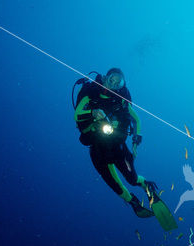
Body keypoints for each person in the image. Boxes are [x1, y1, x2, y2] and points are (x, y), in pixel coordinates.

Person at [73, 68, 176, 230]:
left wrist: (136, 140)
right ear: (105, 77)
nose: (113, 84)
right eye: (112, 79)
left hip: (117, 146)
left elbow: (137, 120)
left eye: (118, 82)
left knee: (132, 179)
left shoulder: (121, 100)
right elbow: (77, 114)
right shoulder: (90, 91)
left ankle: (146, 186)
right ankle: (133, 202)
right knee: (114, 184)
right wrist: (93, 112)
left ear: (122, 85)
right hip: (97, 149)